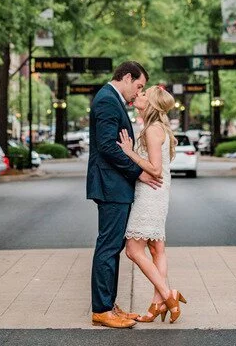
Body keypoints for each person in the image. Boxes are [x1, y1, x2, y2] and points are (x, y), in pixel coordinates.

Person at [86, 61, 161, 329]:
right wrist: (136, 172)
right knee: (108, 247)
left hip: (114, 185)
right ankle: (102, 309)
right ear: (127, 77)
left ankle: (109, 305)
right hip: (111, 185)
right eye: (138, 86)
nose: (138, 92)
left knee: (112, 246)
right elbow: (107, 145)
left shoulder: (110, 99)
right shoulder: (107, 100)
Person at [117, 86, 186, 324]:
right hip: (158, 192)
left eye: (144, 94)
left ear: (152, 104)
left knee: (133, 250)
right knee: (157, 249)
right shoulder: (155, 128)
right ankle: (157, 303)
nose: (139, 95)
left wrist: (128, 152)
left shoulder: (152, 131)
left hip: (150, 193)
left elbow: (155, 169)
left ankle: (168, 295)